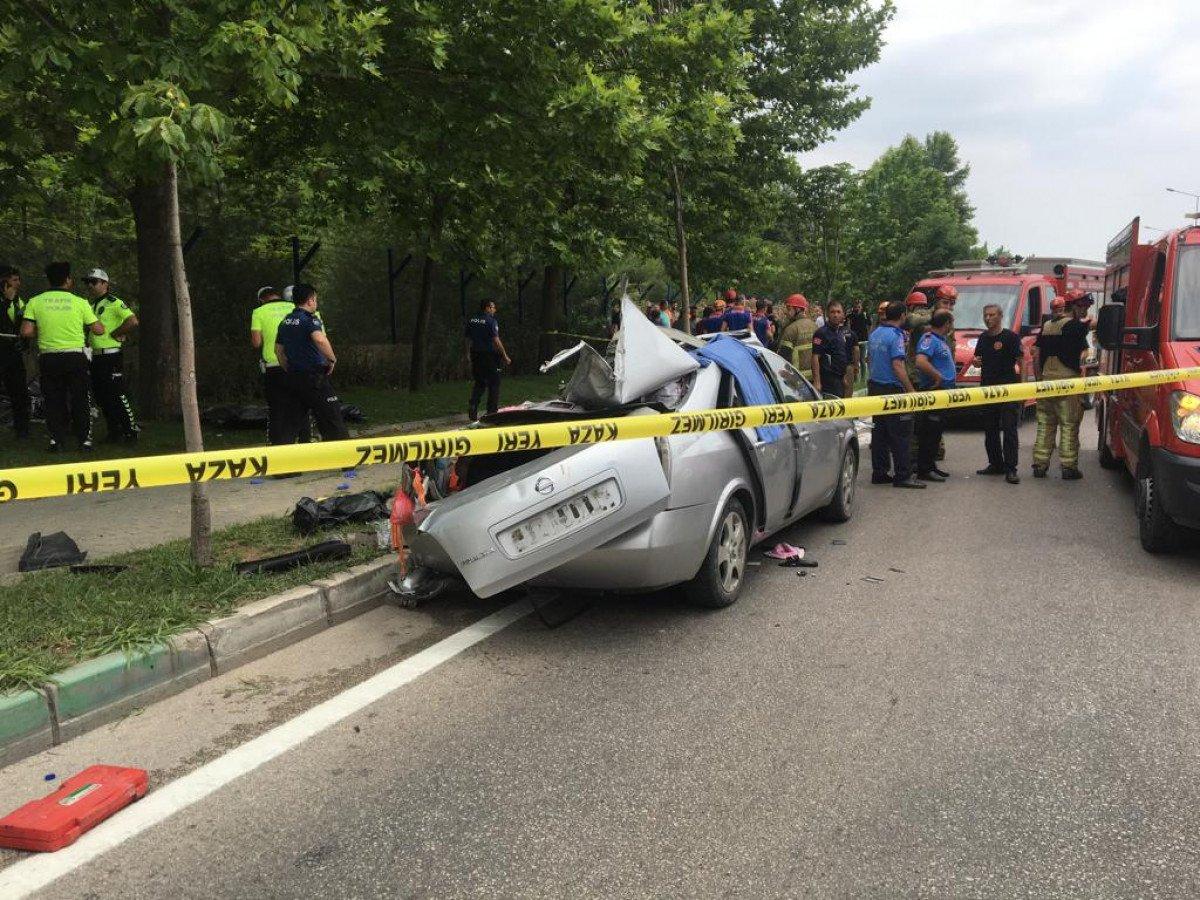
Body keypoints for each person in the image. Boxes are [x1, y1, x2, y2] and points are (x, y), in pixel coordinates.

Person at [21, 261, 104, 451]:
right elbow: (99, 330)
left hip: (49, 358)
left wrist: (43, 330)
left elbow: (26, 331)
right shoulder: (80, 302)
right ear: (68, 280)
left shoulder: (35, 301)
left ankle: (56, 441)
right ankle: (84, 440)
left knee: (53, 400)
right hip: (75, 357)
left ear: (49, 281)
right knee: (80, 399)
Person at [274, 283, 348, 442]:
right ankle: (347, 460)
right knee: (331, 415)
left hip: (294, 377)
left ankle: (285, 461)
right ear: (310, 301)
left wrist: (288, 368)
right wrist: (332, 359)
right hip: (314, 377)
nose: (316, 303)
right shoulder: (309, 320)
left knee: (290, 422)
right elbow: (320, 340)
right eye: (315, 299)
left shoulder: (286, 321)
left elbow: (278, 350)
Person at [1031, 291, 1091, 480]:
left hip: (1046, 381)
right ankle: (1068, 467)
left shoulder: (1047, 326)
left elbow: (1037, 354)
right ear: (1072, 306)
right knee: (1069, 424)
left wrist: (1039, 378)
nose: (1085, 310)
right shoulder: (1074, 326)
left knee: (1045, 424)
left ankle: (1040, 465)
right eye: (1082, 306)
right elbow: (1085, 341)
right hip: (1067, 381)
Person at [868, 302, 923, 489]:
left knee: (880, 433)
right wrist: (910, 389)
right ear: (902, 316)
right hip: (892, 389)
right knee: (901, 434)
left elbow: (870, 360)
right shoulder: (896, 336)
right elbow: (898, 366)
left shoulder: (875, 334)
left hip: (875, 388)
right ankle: (903, 475)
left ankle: (880, 472)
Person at [82, 268, 139, 444]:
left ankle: (130, 430)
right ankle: (114, 431)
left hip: (111, 356)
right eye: (88, 282)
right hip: (96, 356)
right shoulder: (90, 306)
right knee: (102, 395)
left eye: (94, 282)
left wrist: (117, 333)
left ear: (105, 284)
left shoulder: (114, 302)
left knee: (118, 393)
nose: (90, 285)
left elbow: (132, 320)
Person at [251, 285, 312, 445]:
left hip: (274, 366)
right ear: (277, 295)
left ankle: (278, 444)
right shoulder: (293, 307)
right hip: (298, 365)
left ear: (261, 299)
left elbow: (256, 343)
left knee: (277, 407)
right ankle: (305, 440)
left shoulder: (258, 312)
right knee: (301, 404)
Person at [974, 302, 1023, 484]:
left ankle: (1011, 469)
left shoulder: (1010, 337)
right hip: (987, 389)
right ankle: (995, 464)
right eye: (986, 315)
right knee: (990, 430)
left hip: (1009, 389)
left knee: (1009, 430)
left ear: (1000, 316)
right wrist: (976, 363)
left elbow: (1021, 361)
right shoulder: (982, 338)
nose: (988, 318)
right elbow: (978, 360)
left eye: (992, 315)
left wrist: (1023, 388)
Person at [913, 311, 956, 482]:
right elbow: (920, 361)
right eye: (951, 323)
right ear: (946, 323)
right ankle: (924, 469)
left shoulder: (940, 340)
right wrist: (937, 376)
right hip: (934, 392)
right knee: (929, 432)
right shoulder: (929, 339)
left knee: (936, 433)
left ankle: (931, 466)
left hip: (943, 393)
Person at [464, 298, 511, 421]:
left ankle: (473, 405)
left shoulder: (472, 320)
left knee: (479, 381)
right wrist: (504, 355)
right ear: (487, 308)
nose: (495, 310)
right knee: (494, 382)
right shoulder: (491, 321)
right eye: (493, 307)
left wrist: (467, 354)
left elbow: (468, 339)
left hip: (475, 354)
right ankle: (491, 412)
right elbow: (496, 340)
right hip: (489, 355)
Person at [0, 265, 31, 439]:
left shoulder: (20, 301)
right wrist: (6, 301)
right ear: (4, 282)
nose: (18, 283)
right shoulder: (6, 300)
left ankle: (22, 430)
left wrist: (24, 344)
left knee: (19, 392)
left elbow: (23, 327)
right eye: (14, 280)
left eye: (19, 279)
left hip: (13, 354)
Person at [811, 300, 859, 399]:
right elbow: (815, 357)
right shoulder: (821, 333)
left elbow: (852, 351)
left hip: (843, 377)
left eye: (838, 312)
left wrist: (849, 373)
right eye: (832, 312)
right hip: (829, 380)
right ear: (828, 314)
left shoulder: (844, 332)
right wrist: (817, 382)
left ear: (843, 315)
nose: (835, 315)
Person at [778, 294, 817, 378]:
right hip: (815, 376)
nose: (786, 312)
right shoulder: (814, 326)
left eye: (789, 309)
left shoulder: (790, 329)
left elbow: (783, 356)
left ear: (797, 309)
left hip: (797, 378)